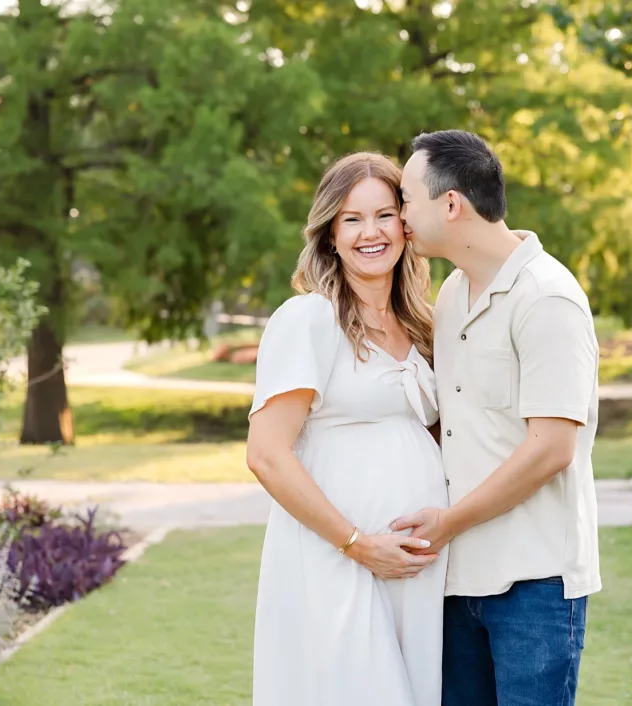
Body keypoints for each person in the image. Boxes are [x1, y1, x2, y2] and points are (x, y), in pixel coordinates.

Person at [393, 130, 601, 706]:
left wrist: (450, 520)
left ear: (451, 204)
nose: (399, 214)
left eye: (407, 199)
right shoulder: (454, 293)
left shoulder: (547, 297)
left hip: (535, 583)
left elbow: (552, 447)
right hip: (457, 579)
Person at [245, 152, 449, 706]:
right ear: (330, 233)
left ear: (406, 226)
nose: (371, 232)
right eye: (352, 219)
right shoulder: (309, 319)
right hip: (337, 558)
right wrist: (358, 545)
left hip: (417, 564)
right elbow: (266, 455)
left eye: (384, 215)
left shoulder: (423, 324)